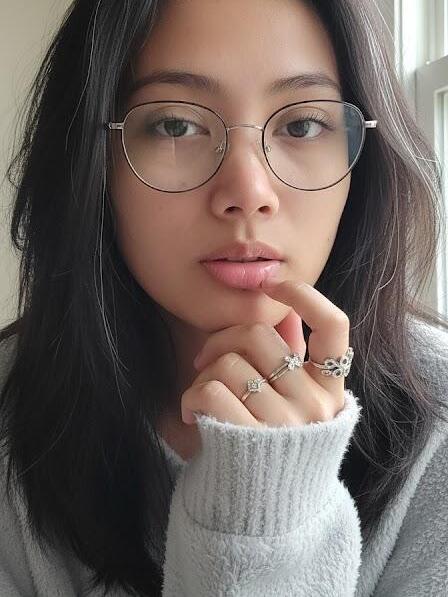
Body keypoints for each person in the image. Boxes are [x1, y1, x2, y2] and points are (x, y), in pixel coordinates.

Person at [0, 0, 447, 595]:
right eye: (175, 125)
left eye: (301, 125)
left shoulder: (438, 422)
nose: (249, 191)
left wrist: (270, 510)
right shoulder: (13, 415)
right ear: (91, 159)